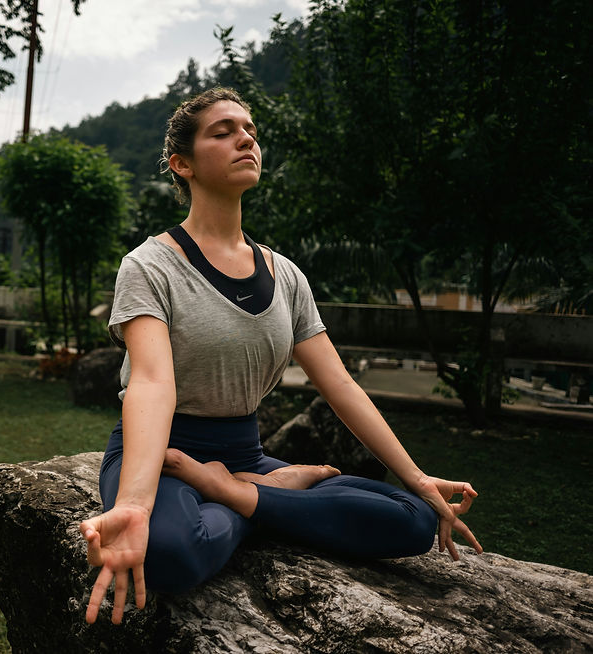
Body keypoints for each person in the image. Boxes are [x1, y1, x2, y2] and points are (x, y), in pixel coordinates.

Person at [79, 87, 483, 626]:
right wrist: (133, 503)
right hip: (163, 455)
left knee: (413, 518)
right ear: (183, 164)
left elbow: (338, 382)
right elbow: (153, 382)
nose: (245, 139)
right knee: (169, 554)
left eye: (249, 130)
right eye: (222, 132)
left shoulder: (285, 274)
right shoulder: (150, 266)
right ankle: (263, 501)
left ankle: (239, 494)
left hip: (243, 453)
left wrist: (414, 476)